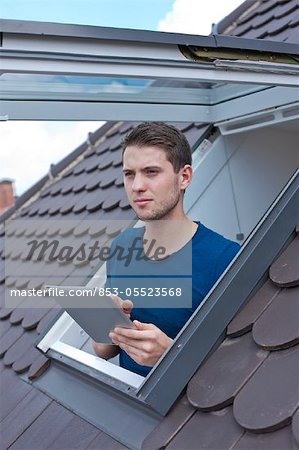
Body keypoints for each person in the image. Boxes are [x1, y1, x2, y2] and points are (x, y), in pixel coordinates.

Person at [92, 122, 240, 376]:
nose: (137, 186)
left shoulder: (227, 259)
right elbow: (103, 350)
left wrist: (171, 355)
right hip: (126, 404)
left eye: (151, 172)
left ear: (184, 177)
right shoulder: (121, 247)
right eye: (129, 174)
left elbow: (238, 367)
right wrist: (110, 320)